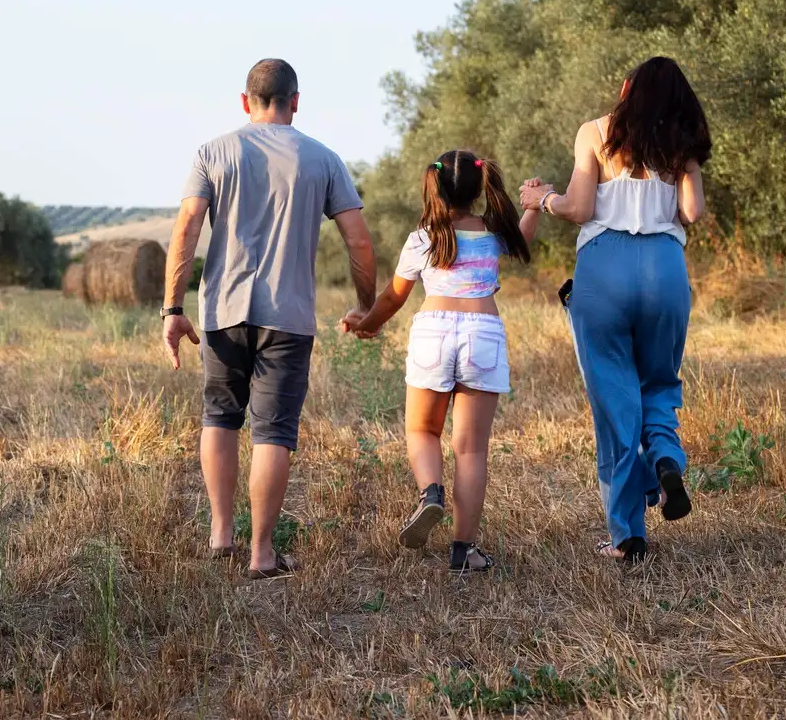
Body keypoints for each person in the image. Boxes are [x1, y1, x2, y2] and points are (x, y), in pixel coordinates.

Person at [162, 58, 377, 580]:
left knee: (219, 417)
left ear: (245, 101)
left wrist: (172, 307)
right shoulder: (322, 159)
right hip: (290, 316)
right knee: (273, 433)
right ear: (296, 102)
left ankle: (220, 534)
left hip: (221, 312)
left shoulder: (213, 151)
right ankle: (262, 555)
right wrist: (366, 305)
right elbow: (359, 240)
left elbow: (188, 226)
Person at [520, 56, 710, 563]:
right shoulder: (681, 144)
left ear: (628, 89)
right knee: (659, 383)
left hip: (604, 271)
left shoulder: (595, 133)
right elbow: (691, 213)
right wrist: (687, 162)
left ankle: (628, 535)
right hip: (665, 270)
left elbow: (579, 209)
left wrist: (542, 200)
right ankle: (666, 461)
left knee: (614, 398)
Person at [342, 151, 539, 573]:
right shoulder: (492, 232)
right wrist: (533, 207)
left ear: (433, 186)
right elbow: (522, 238)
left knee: (421, 429)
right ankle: (463, 551)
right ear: (478, 188)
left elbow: (394, 297)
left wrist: (366, 323)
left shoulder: (422, 239)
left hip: (433, 329)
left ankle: (430, 493)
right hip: (482, 330)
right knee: (470, 450)